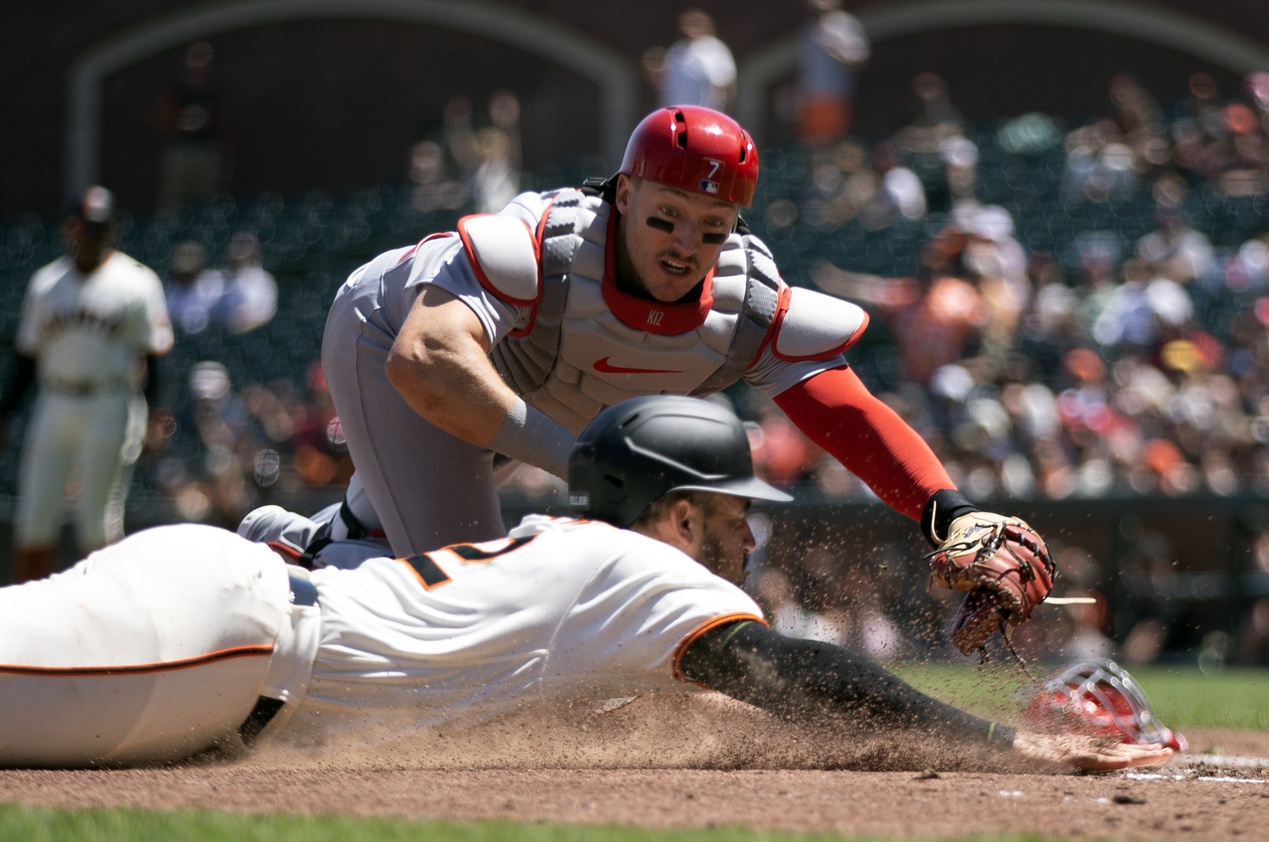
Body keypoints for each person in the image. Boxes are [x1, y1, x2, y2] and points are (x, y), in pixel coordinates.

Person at [0, 395, 1174, 771]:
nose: (750, 541)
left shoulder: (584, 580)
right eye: (731, 515)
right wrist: (996, 747)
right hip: (225, 639)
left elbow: (734, 719)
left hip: (226, 642)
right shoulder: (633, 561)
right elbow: (789, 674)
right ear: (671, 512)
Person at [315, 105, 1037, 585]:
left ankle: (307, 547)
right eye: (666, 218)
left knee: (387, 542)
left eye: (713, 225)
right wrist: (585, 466)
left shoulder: (740, 297)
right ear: (623, 196)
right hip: (393, 337)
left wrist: (945, 509)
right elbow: (427, 361)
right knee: (461, 597)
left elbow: (840, 407)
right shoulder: (538, 244)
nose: (687, 246)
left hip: (518, 393)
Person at [0, 186, 174, 583]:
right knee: (34, 516)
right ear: (68, 230)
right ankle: (27, 612)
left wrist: (156, 413)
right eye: (80, 226)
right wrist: (5, 412)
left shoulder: (136, 283)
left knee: (97, 519)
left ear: (111, 231)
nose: (87, 235)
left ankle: (102, 612)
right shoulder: (46, 283)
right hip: (54, 399)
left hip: (108, 401)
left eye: (96, 227)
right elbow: (27, 358)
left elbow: (155, 356)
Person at [154, 41, 231, 208]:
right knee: (174, 200)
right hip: (180, 151)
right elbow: (164, 123)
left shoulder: (213, 91)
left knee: (206, 198)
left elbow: (221, 125)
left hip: (206, 151)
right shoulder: (175, 89)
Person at [796, 0, 871, 148]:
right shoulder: (809, 28)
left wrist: (833, 47)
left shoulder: (845, 24)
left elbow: (859, 59)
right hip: (810, 98)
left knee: (832, 144)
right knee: (810, 145)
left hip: (834, 96)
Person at [643, 10, 736, 112]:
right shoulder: (678, 49)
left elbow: (725, 82)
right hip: (676, 114)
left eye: (696, 23)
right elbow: (663, 80)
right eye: (689, 23)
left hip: (704, 114)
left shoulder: (715, 48)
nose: (692, 27)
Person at [213, 230, 277, 334]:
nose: (239, 250)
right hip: (220, 336)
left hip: (254, 336)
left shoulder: (263, 279)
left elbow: (264, 314)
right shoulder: (218, 278)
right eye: (236, 245)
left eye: (244, 245)